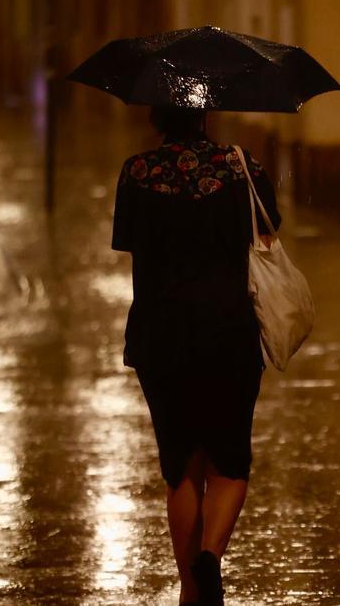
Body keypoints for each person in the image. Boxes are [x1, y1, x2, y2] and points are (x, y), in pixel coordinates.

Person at [112, 106, 281, 606]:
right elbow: (268, 236)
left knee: (180, 466)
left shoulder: (137, 172)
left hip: (160, 335)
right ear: (207, 113)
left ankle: (190, 590)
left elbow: (130, 245)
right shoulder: (241, 167)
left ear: (154, 114)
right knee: (229, 463)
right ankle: (210, 557)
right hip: (229, 330)